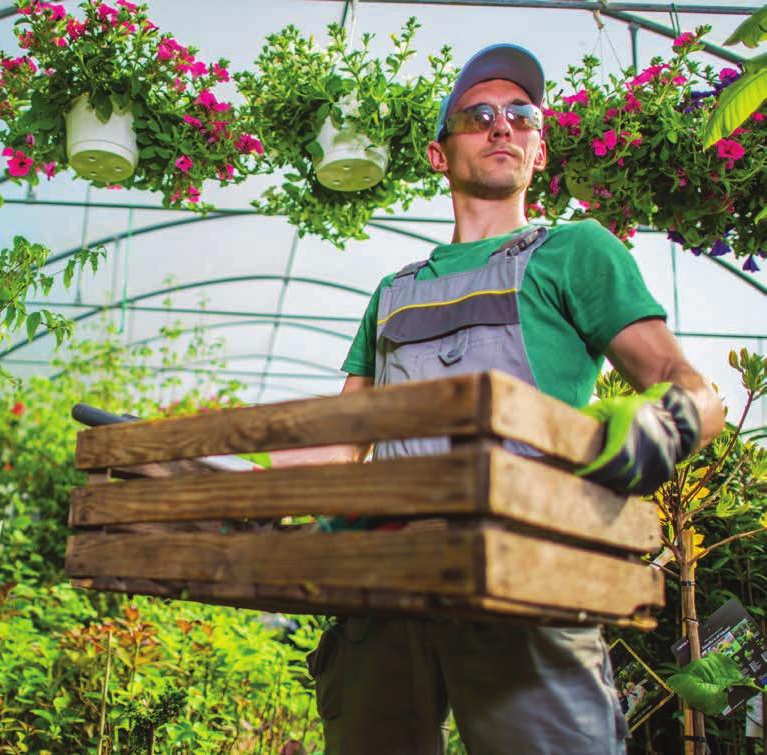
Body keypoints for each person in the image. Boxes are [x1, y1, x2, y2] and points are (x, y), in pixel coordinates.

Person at [277, 43, 725, 754]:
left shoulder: (575, 251)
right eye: (478, 114)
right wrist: (239, 493)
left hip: (528, 575)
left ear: (539, 152)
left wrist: (667, 424)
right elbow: (340, 444)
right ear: (438, 153)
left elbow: (691, 385)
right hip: (386, 585)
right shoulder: (393, 291)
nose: (502, 126)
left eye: (521, 115)